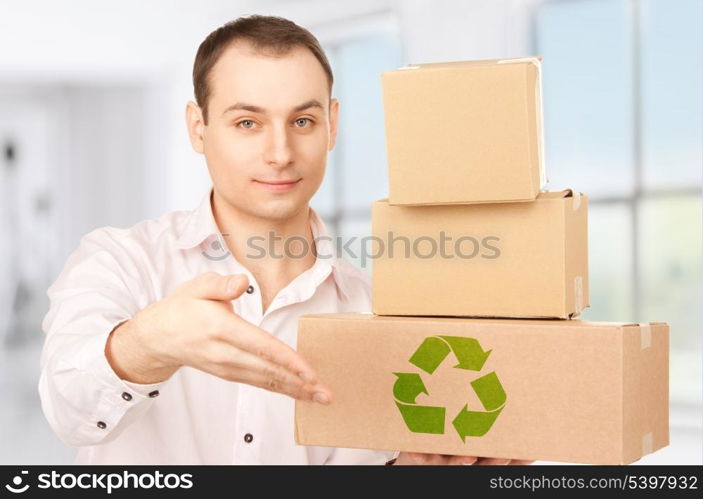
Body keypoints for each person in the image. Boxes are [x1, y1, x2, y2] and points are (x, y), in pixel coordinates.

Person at [38, 14, 532, 466]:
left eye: (302, 121)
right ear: (198, 127)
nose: (280, 153)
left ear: (331, 125)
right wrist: (150, 343)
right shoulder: (120, 261)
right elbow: (70, 415)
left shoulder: (377, 311)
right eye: (247, 123)